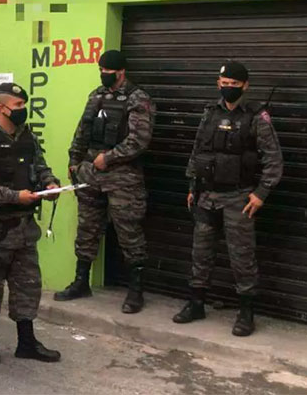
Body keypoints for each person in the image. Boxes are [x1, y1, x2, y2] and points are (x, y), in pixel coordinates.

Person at [172, 61, 283, 337]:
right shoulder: (209, 113)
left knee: (242, 256)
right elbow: (198, 151)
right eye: (225, 83)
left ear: (245, 86)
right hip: (206, 195)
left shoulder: (257, 117)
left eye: (235, 84)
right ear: (217, 83)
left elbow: (274, 160)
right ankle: (196, 303)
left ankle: (246, 313)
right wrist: (192, 185)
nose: (229, 88)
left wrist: (261, 193)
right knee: (201, 252)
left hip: (238, 197)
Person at [0, 82, 62, 365]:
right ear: (1, 107)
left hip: (24, 229)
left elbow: (41, 166)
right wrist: (15, 196)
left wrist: (50, 183)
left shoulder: (27, 137)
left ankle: (27, 342)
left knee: (28, 285)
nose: (23, 110)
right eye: (18, 106)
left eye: (24, 105)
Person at [54, 49, 154, 314]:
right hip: (90, 174)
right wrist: (74, 160)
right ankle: (80, 281)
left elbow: (139, 140)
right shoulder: (97, 95)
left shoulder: (138, 98)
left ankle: (135, 291)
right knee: (87, 227)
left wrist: (108, 158)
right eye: (101, 70)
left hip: (123, 177)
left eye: (108, 72)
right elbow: (83, 129)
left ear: (121, 72)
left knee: (129, 232)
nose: (103, 75)